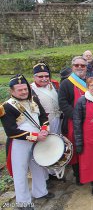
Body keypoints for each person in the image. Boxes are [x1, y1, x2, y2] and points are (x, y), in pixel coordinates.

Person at [0, 74, 54, 209]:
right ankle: (23, 201)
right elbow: (11, 132)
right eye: (20, 90)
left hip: (38, 138)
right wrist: (35, 136)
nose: (24, 92)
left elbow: (43, 117)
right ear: (12, 92)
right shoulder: (6, 107)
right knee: (20, 171)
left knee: (38, 165)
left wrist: (45, 129)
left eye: (25, 89)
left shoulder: (34, 99)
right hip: (19, 144)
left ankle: (40, 191)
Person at [58, 56, 88, 185]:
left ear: (86, 67)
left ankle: (89, 171)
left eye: (83, 65)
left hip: (88, 121)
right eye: (77, 65)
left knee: (88, 147)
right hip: (73, 121)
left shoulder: (89, 81)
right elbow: (63, 103)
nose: (80, 67)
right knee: (76, 148)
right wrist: (76, 117)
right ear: (72, 67)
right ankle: (78, 175)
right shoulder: (66, 83)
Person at [31, 63, 61, 134]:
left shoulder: (54, 84)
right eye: (40, 77)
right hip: (44, 121)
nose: (44, 79)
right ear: (34, 77)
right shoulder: (31, 89)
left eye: (46, 76)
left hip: (59, 119)